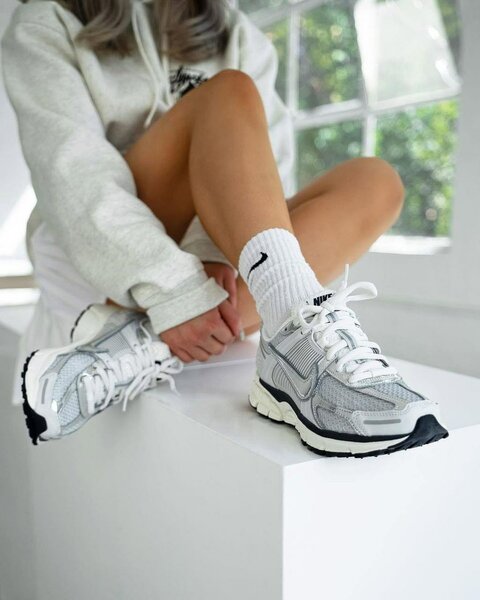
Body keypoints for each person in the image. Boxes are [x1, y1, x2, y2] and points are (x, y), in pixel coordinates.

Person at [1, 0, 448, 456]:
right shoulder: (47, 19)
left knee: (377, 184)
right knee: (228, 92)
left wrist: (212, 252)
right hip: (105, 255)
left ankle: (152, 343)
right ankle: (294, 342)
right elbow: (74, 174)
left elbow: (263, 171)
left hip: (214, 256)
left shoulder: (234, 30)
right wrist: (176, 287)